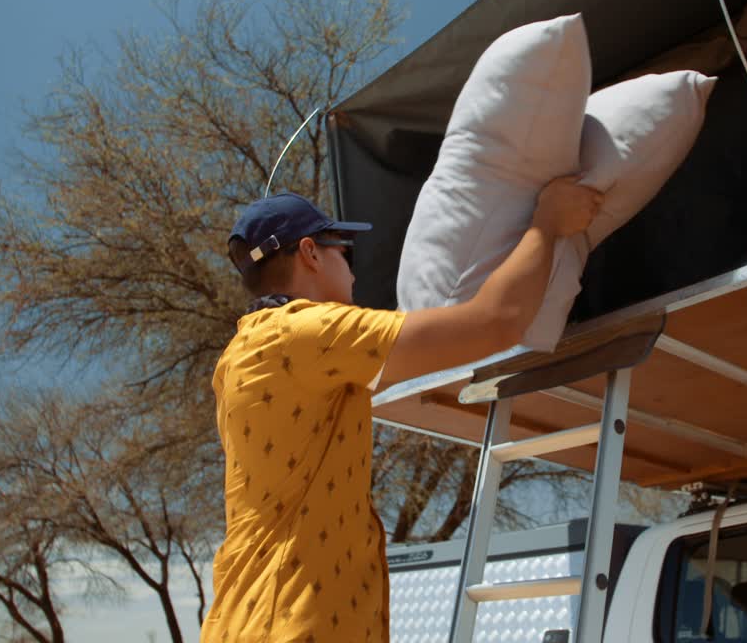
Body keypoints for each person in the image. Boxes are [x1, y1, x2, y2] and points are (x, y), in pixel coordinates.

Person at [201, 176, 603, 642]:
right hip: (290, 626)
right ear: (310, 253)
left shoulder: (240, 354)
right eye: (345, 253)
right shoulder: (308, 332)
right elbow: (498, 321)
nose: (353, 273)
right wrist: (547, 226)